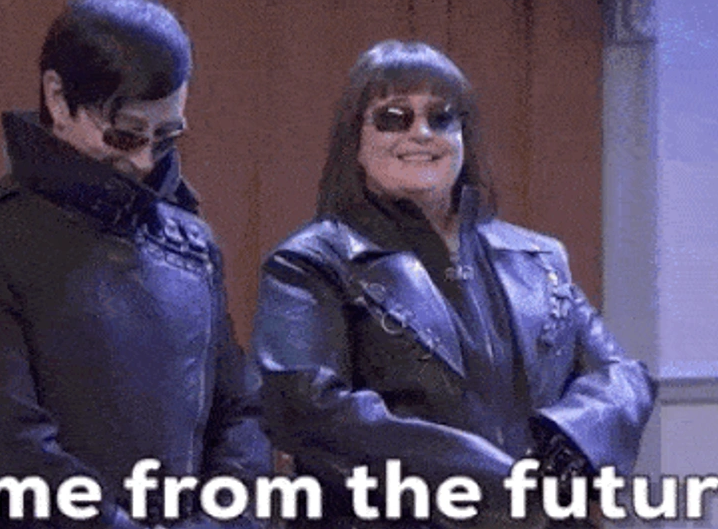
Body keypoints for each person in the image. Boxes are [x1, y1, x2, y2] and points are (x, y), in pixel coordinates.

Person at [251, 40, 656, 528]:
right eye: (394, 117)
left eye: (442, 117)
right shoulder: (309, 262)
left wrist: (568, 449)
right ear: (354, 140)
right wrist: (504, 489)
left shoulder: (539, 259)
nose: (421, 133)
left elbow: (620, 376)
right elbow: (308, 410)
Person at [0, 0, 270, 529]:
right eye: (125, 134)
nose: (145, 160)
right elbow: (8, 453)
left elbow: (240, 417)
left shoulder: (193, 244)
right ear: (58, 98)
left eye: (166, 136)